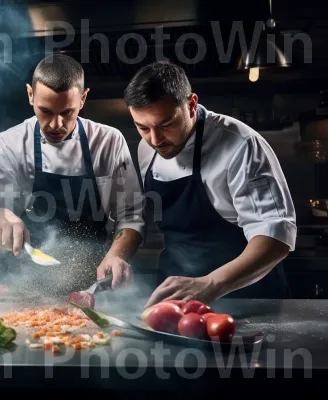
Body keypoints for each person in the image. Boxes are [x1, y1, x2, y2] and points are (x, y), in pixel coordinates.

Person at [0, 54, 146, 295]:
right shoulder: (11, 143)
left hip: (93, 286)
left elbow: (131, 214)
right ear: (30, 95)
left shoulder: (108, 141)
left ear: (82, 99)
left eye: (67, 112)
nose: (55, 124)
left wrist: (116, 256)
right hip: (26, 285)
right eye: (46, 111)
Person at [122, 61, 295, 308]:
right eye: (142, 128)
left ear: (192, 105)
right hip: (177, 301)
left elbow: (275, 237)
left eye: (166, 124)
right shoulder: (146, 149)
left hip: (248, 300)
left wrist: (211, 284)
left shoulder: (240, 145)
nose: (155, 139)